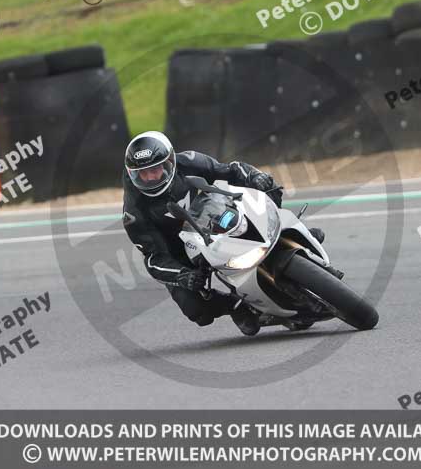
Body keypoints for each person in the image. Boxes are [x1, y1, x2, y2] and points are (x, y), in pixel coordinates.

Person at [121, 131, 323, 335]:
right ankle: (235, 306)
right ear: (133, 174)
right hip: (180, 249)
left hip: (214, 213)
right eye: (143, 174)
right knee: (195, 310)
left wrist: (255, 176)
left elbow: (231, 170)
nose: (150, 178)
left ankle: (291, 232)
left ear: (169, 163)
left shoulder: (189, 161)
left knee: (267, 187)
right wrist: (182, 274)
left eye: (155, 170)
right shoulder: (133, 212)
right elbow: (154, 258)